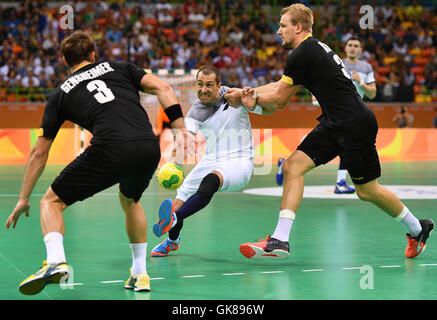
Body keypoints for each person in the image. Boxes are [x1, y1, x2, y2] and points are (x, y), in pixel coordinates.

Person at [225, 4, 433, 260]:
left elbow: (278, 101)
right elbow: (280, 85)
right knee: (292, 167)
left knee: (367, 191)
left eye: (283, 26)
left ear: (298, 27)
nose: (278, 31)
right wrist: (246, 91)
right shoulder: (312, 49)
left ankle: (417, 227)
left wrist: (251, 100)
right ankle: (280, 239)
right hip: (336, 122)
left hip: (353, 124)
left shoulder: (303, 53)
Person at [4, 31, 186, 294]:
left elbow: (39, 153)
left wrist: (23, 198)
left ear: (66, 60)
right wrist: (180, 131)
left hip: (110, 149)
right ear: (93, 55)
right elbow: (164, 87)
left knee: (51, 202)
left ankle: (55, 262)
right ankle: (140, 274)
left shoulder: (61, 93)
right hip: (148, 146)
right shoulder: (119, 67)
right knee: (131, 200)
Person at [150, 66, 264, 257]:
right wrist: (172, 161)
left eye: (209, 85)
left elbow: (263, 110)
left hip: (240, 161)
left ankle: (173, 219)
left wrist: (252, 101)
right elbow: (185, 138)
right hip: (211, 159)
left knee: (210, 181)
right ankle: (172, 240)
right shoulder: (196, 111)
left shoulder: (234, 96)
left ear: (219, 85)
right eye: (200, 84)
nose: (203, 90)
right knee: (181, 197)